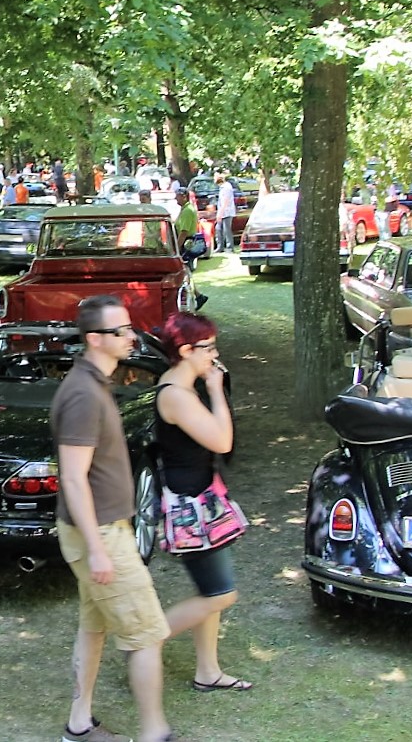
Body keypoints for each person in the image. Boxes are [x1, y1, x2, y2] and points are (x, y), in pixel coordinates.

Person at [52, 295, 172, 742]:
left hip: (102, 530)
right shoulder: (82, 394)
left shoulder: (96, 382)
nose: (132, 336)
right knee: (146, 634)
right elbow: (74, 478)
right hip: (98, 534)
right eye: (121, 331)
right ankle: (155, 733)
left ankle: (79, 725)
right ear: (94, 339)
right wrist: (99, 549)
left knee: (95, 626)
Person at [152, 312, 253, 696]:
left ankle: (208, 670)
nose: (215, 354)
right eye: (208, 347)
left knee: (211, 589)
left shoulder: (182, 386)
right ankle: (146, 639)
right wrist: (215, 389)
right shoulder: (176, 395)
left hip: (203, 498)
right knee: (221, 594)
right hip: (190, 507)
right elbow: (222, 441)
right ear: (185, 350)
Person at [215, 174, 236, 253]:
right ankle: (220, 247)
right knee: (218, 229)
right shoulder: (222, 187)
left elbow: (225, 202)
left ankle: (230, 247)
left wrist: (220, 214)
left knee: (227, 230)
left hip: (227, 212)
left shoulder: (226, 188)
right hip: (223, 211)